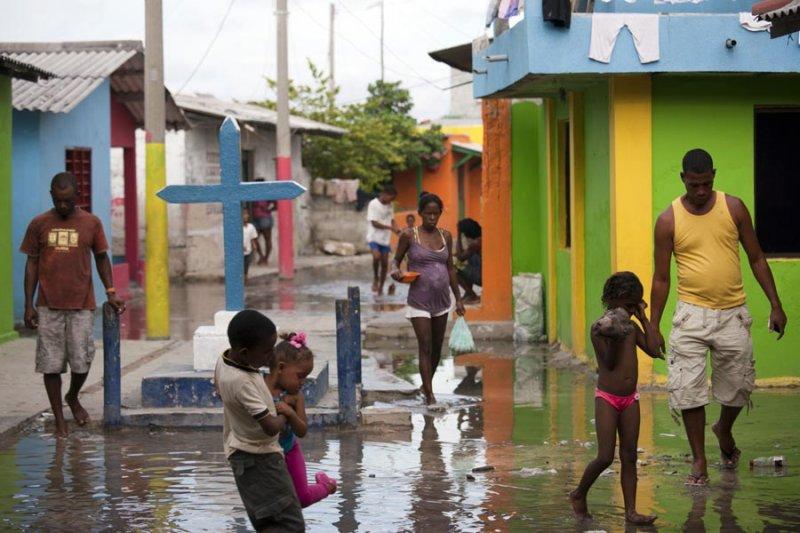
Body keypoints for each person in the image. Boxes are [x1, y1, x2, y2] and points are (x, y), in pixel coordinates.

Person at [650, 148, 787, 486]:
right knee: (688, 389)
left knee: (740, 385)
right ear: (683, 179)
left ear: (714, 174)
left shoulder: (734, 207)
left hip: (732, 313)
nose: (700, 191)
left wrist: (775, 303)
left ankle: (723, 428)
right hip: (690, 315)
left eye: (707, 184)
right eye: (694, 185)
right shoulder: (668, 220)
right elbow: (661, 278)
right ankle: (699, 460)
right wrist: (652, 326)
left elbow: (755, 257)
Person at [20, 172, 125, 438]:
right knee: (51, 364)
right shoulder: (39, 223)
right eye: (58, 201)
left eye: (67, 201)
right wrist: (28, 305)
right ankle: (59, 420)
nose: (62, 206)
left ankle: (73, 396)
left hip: (82, 304)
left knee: (82, 360)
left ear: (76, 197)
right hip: (48, 305)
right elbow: (31, 263)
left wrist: (110, 292)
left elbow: (101, 258)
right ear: (51, 196)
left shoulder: (91, 223)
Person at [569, 272, 662, 525]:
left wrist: (643, 318)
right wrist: (613, 338)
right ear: (618, 300)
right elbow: (608, 364)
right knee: (605, 456)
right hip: (607, 399)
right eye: (631, 306)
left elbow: (655, 349)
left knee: (630, 455)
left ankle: (631, 511)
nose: (633, 311)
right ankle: (579, 494)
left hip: (630, 399)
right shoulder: (601, 329)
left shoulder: (632, 327)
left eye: (636, 307)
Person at [214, 310, 305, 532]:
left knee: (270, 521)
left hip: (242, 453)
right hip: (259, 459)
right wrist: (287, 411)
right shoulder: (242, 382)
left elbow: (219, 390)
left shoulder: (225, 359)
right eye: (266, 351)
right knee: (289, 525)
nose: (270, 356)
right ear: (245, 353)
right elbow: (270, 427)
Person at [391, 192, 466, 405]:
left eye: (436, 213)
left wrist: (458, 299)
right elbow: (395, 262)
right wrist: (396, 272)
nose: (432, 218)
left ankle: (426, 385)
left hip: (442, 301)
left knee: (436, 349)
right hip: (419, 300)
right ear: (421, 213)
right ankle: (430, 396)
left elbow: (450, 269)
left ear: (440, 213)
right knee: (424, 345)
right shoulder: (409, 235)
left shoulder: (446, 236)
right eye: (428, 213)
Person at [264, 332, 337, 508]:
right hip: (266, 456)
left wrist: (290, 413)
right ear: (280, 368)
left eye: (305, 376)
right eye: (300, 376)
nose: (303, 382)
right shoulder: (259, 389)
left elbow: (302, 431)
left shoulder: (296, 397)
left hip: (290, 451)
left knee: (302, 498)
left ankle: (326, 486)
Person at [366, 184, 399, 295]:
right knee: (376, 256)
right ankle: (376, 277)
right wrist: (390, 227)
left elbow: (392, 220)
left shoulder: (390, 206)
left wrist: (397, 230)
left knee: (385, 263)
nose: (391, 201)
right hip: (373, 237)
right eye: (391, 198)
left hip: (385, 239)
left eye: (393, 199)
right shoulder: (373, 204)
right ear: (384, 194)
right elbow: (374, 223)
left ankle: (380, 287)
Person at [455, 218, 482, 304]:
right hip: (484, 275)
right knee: (470, 260)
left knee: (451, 270)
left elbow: (460, 257)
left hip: (482, 279)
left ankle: (472, 295)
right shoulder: (480, 240)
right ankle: (468, 293)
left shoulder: (476, 243)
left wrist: (458, 234)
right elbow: (463, 255)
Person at [251, 181, 276, 266]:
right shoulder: (254, 193)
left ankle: (266, 258)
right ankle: (261, 256)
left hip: (265, 219)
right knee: (254, 238)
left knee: (267, 239)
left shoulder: (267, 193)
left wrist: (268, 210)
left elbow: (276, 205)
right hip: (256, 219)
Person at [242, 209, 259, 283]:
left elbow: (252, 238)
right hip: (239, 251)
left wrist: (254, 245)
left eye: (246, 214)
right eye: (243, 214)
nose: (245, 216)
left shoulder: (250, 227)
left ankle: (245, 277)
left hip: (248, 251)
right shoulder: (237, 227)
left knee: (246, 265)